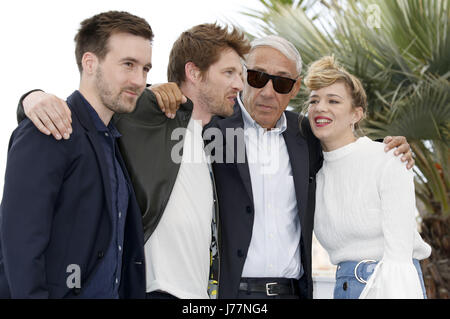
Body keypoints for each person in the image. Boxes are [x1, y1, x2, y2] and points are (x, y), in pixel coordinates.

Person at [16, 33, 413, 299]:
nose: (267, 91)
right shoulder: (205, 128)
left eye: (283, 83)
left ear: (294, 89)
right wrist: (31, 98)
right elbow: (109, 107)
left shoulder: (304, 134)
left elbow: (345, 145)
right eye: (257, 77)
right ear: (243, 77)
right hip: (230, 295)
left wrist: (389, 148)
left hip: (294, 290)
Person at [17, 23, 250, 299]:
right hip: (154, 288)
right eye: (229, 73)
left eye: (241, 74)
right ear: (194, 73)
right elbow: (85, 107)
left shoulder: (213, 137)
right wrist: (31, 98)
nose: (240, 84)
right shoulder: (147, 112)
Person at [0, 11, 153, 298]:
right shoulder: (48, 129)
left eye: (145, 68)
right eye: (128, 65)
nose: (139, 80)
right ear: (90, 62)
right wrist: (30, 98)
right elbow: (21, 248)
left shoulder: (112, 140)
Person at [304, 56, 431, 298]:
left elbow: (399, 255)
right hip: (343, 287)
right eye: (314, 100)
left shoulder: (389, 157)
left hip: (391, 285)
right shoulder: (313, 174)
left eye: (333, 100)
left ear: (356, 114)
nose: (320, 107)